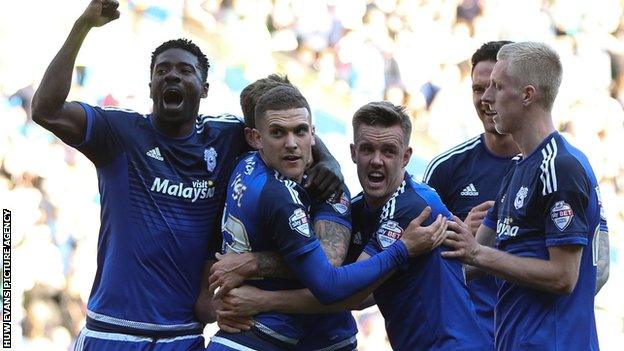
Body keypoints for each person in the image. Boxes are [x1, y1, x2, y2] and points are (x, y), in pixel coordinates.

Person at [31, 1, 342, 350]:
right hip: (111, 332)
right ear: (150, 86)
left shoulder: (225, 137)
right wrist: (83, 26)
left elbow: (284, 126)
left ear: (205, 89)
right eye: (162, 70)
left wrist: (328, 160)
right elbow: (46, 110)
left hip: (182, 337)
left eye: (185, 70)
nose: (173, 75)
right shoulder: (119, 133)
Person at [212, 101, 493, 350]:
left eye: (389, 151)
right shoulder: (359, 209)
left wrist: (260, 301)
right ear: (353, 152)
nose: (377, 161)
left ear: (406, 157)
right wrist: (245, 274)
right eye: (368, 149)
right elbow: (327, 270)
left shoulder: (414, 207)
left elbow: (353, 296)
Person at [442, 41, 608, 350]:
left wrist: (477, 253)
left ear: (527, 95)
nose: (487, 99)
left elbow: (564, 277)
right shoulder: (518, 169)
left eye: (498, 87)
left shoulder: (560, 167)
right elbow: (470, 261)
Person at [196, 75, 357, 351]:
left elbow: (327, 267)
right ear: (254, 137)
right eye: (277, 131)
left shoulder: (324, 182)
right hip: (259, 329)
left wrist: (253, 265)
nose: (290, 142)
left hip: (325, 337)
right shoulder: (246, 173)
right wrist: (221, 295)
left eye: (298, 129)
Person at [421, 40, 519, 340]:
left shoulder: (552, 168)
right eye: (478, 89)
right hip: (463, 335)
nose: (487, 98)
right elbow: (413, 256)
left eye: (495, 87)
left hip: (527, 333)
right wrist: (458, 232)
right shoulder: (446, 168)